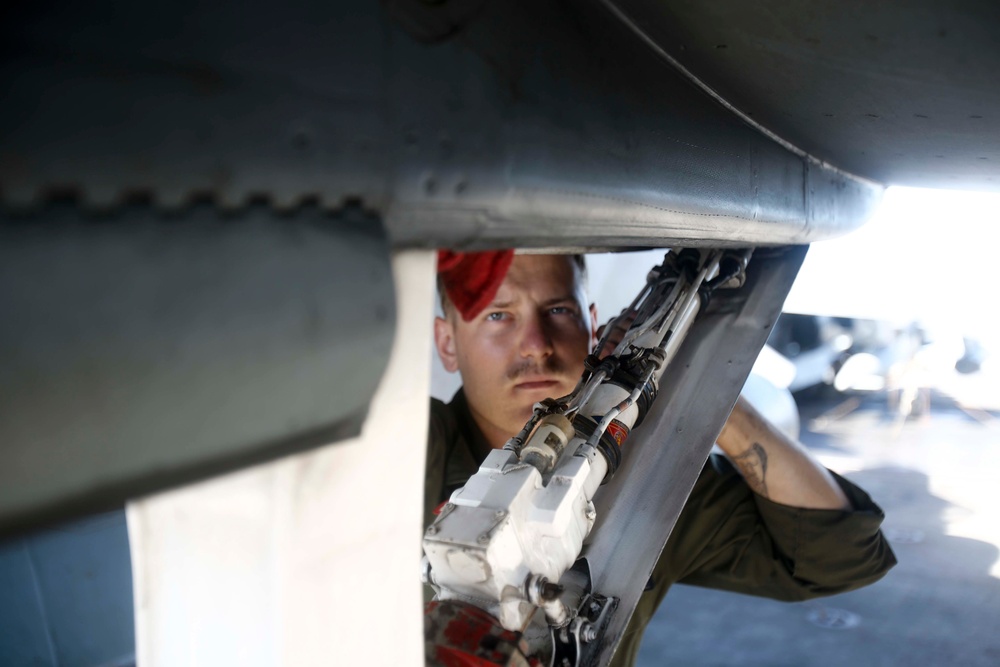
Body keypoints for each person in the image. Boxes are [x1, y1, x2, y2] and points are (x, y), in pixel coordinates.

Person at [426, 253, 895, 667]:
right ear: (447, 343)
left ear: (593, 326)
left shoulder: (648, 479)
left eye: (558, 310)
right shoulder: (402, 453)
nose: (535, 343)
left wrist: (708, 396)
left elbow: (842, 556)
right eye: (498, 315)